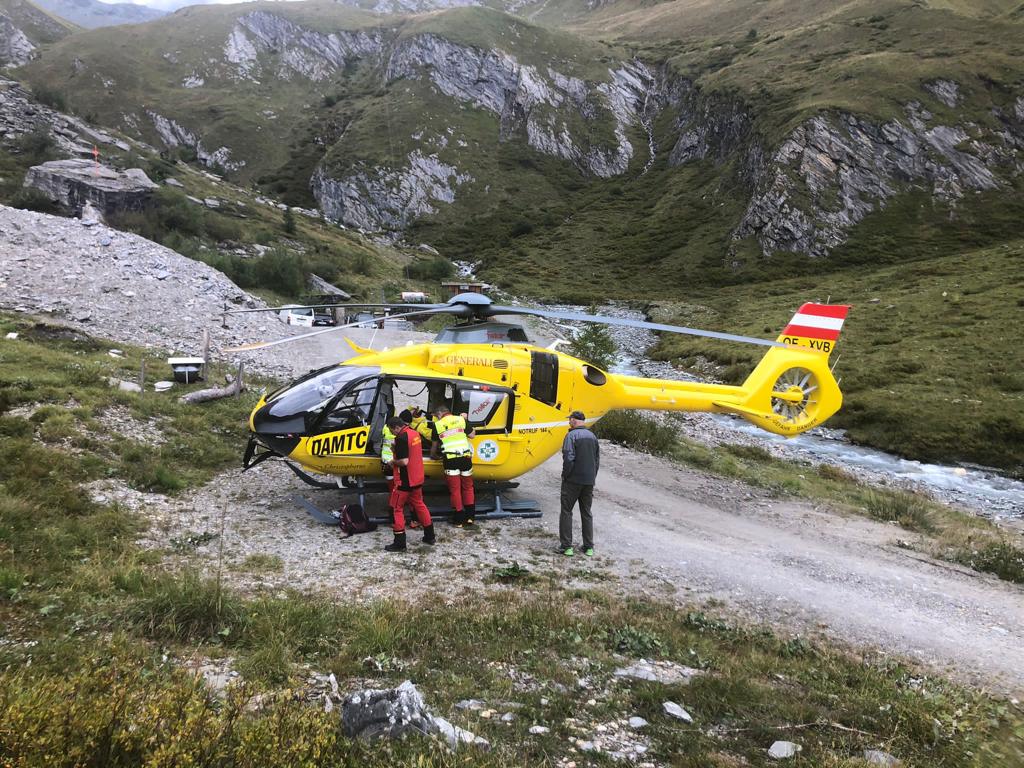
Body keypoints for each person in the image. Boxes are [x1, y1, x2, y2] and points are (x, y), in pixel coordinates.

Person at [386, 415, 435, 551]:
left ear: (396, 427)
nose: (392, 433)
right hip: (417, 477)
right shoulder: (414, 433)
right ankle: (430, 535)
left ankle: (399, 543)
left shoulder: (401, 438)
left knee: (397, 508)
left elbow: (404, 461)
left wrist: (392, 462)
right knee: (420, 505)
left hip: (405, 480)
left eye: (392, 431)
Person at [558, 410, 599, 557]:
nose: (569, 422)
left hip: (573, 481)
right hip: (589, 481)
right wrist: (592, 478)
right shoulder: (593, 437)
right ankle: (589, 547)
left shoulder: (571, 436)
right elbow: (596, 461)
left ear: (575, 421)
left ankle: (566, 547)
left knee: (566, 511)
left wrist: (566, 476)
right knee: (586, 513)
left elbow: (568, 458)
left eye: (570, 420)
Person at [431, 404, 476, 527]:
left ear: (439, 414)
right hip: (465, 458)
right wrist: (466, 420)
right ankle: (470, 517)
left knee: (455, 490)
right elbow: (472, 435)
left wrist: (434, 456)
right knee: (468, 487)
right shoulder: (461, 420)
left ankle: (458, 520)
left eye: (437, 416)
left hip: (450, 459)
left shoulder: (437, 425)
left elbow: (434, 447)